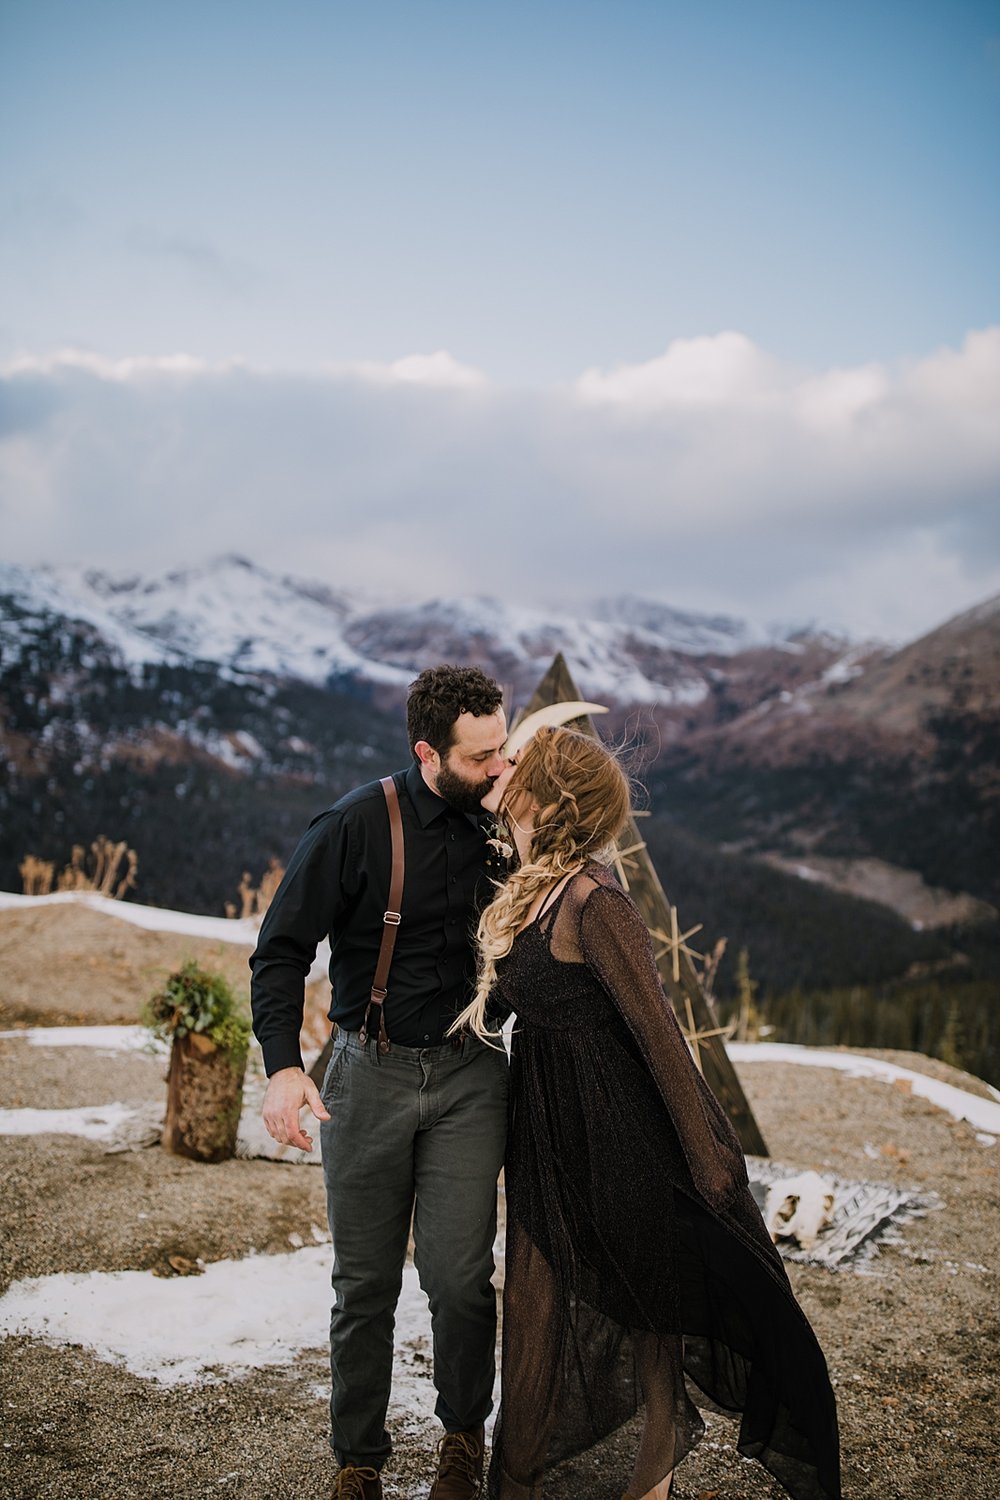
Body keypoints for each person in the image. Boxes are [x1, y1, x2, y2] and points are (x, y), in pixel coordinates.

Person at [450, 725, 842, 1500]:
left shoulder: (596, 901)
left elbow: (661, 1037)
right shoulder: (534, 885)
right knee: (534, 1309)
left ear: (551, 794)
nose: (508, 769)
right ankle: (520, 1484)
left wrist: (709, 1161)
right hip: (549, 1140)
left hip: (619, 1136)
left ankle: (649, 1490)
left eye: (521, 766)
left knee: (647, 1315)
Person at [250, 665, 512, 1500]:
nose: (500, 769)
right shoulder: (358, 823)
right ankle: (358, 1460)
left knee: (461, 1282)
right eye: (482, 758)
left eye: (504, 749)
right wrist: (285, 1067)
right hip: (370, 1072)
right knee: (364, 1284)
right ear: (428, 752)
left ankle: (464, 1441)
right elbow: (281, 951)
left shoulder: (509, 827)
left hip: (473, 1074)